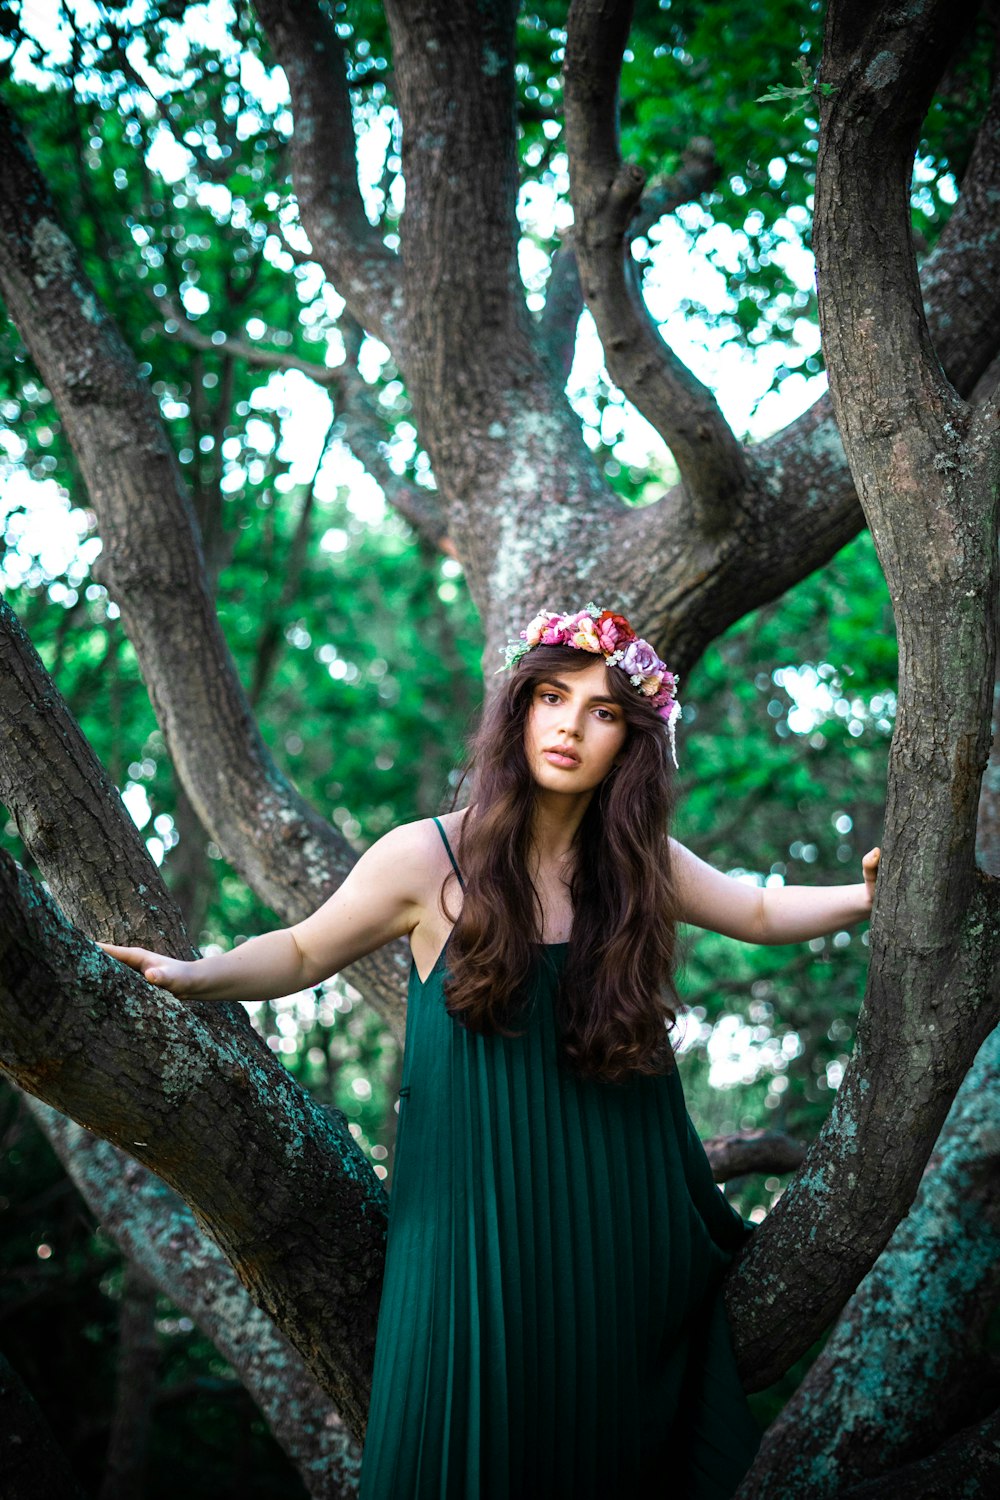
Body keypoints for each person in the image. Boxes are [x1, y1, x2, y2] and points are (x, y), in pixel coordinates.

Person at [99, 603, 881, 1499]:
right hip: (469, 1226)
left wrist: (865, 896)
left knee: (611, 1453)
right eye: (554, 697)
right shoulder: (425, 856)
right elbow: (306, 949)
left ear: (629, 742)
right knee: (452, 1440)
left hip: (621, 1221)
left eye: (603, 712)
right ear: (521, 709)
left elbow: (757, 911)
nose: (572, 726)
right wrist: (197, 975)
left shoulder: (638, 863)